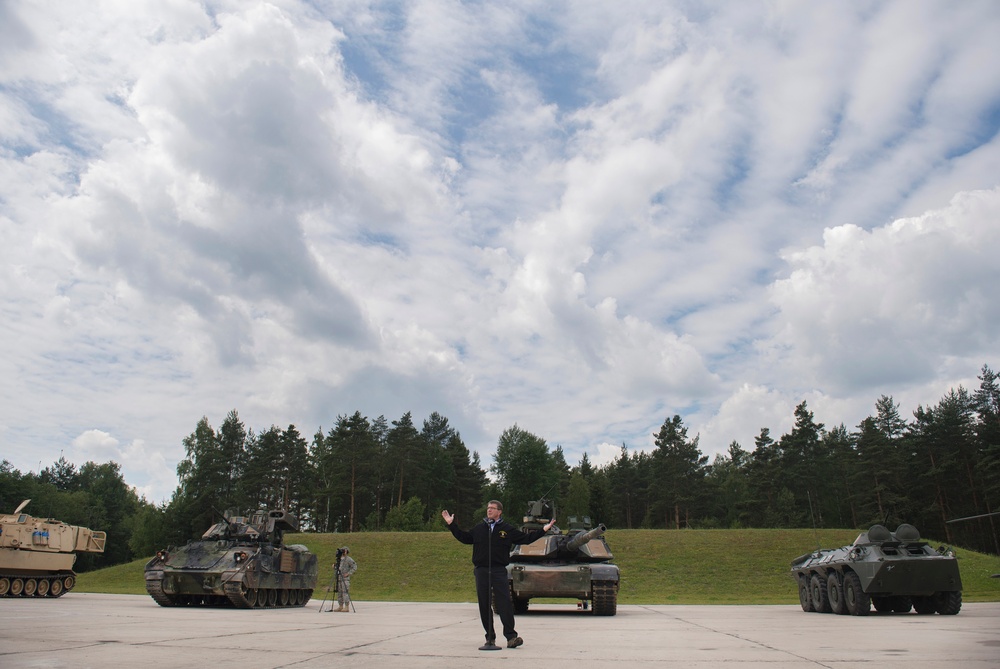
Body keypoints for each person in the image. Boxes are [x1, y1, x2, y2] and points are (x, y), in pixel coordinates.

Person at [442, 501, 556, 649]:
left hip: (498, 571)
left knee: (505, 604)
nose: (489, 510)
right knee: (484, 604)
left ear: (499, 511)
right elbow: (465, 538)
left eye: (492, 508)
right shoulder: (479, 528)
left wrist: (544, 530)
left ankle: (511, 637)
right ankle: (490, 638)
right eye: (488, 508)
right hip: (482, 570)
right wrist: (452, 525)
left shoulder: (507, 529)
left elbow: (526, 539)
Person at [333, 546, 357, 612]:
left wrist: (349, 573)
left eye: (345, 551)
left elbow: (354, 566)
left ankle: (346, 606)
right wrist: (335, 567)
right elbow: (338, 568)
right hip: (339, 578)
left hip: (345, 579)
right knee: (339, 593)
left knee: (345, 592)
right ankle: (340, 606)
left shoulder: (348, 559)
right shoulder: (339, 559)